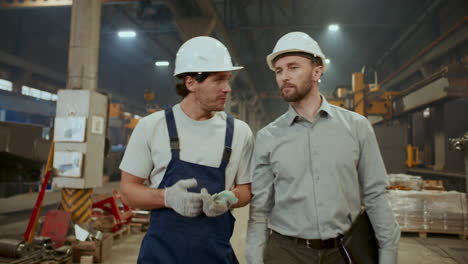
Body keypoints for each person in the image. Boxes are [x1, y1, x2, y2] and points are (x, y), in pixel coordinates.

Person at [246, 32, 400, 264]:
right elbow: (259, 210)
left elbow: (376, 194)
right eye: (279, 71)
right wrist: (254, 259)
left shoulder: (357, 127)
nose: (284, 77)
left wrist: (388, 253)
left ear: (317, 71)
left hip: (343, 251)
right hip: (286, 253)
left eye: (293, 67)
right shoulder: (268, 137)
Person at [119, 36, 254, 264]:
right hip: (160, 256)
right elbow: (128, 191)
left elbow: (245, 190)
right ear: (191, 82)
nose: (227, 88)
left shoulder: (240, 133)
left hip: (215, 256)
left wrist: (229, 199)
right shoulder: (152, 127)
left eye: (228, 79)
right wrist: (166, 197)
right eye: (219, 80)